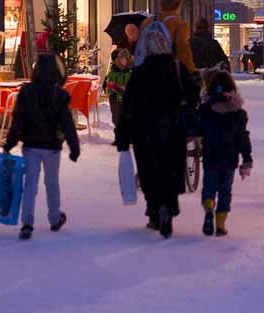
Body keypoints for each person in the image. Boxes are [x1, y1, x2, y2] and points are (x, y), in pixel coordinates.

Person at [116, 23, 200, 238]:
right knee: (171, 169)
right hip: (173, 129)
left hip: (145, 132)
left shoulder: (140, 73)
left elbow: (128, 106)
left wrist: (123, 136)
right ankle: (169, 206)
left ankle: (154, 209)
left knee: (149, 170)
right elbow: (193, 98)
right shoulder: (178, 69)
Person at [3, 53, 81, 240]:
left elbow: (18, 121)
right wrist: (74, 147)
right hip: (52, 147)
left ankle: (27, 223)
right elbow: (67, 123)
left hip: (30, 145)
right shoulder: (60, 95)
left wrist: (10, 143)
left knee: (30, 184)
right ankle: (54, 218)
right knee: (52, 183)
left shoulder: (26, 92)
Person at [199, 70, 252, 237]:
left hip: (210, 156)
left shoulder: (206, 111)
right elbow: (243, 138)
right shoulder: (238, 114)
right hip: (229, 158)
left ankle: (208, 208)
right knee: (225, 190)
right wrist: (247, 157)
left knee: (209, 187)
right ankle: (220, 225)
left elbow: (197, 128)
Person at [141, 0, 197, 74]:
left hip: (146, 72)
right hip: (167, 73)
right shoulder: (179, 25)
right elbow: (183, 51)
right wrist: (192, 71)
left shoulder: (147, 22)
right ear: (178, 5)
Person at [102, 48, 132, 129]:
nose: (124, 60)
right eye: (122, 58)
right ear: (117, 60)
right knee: (117, 119)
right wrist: (119, 88)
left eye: (126, 58)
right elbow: (109, 86)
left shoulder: (129, 72)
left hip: (127, 100)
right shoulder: (112, 73)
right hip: (115, 100)